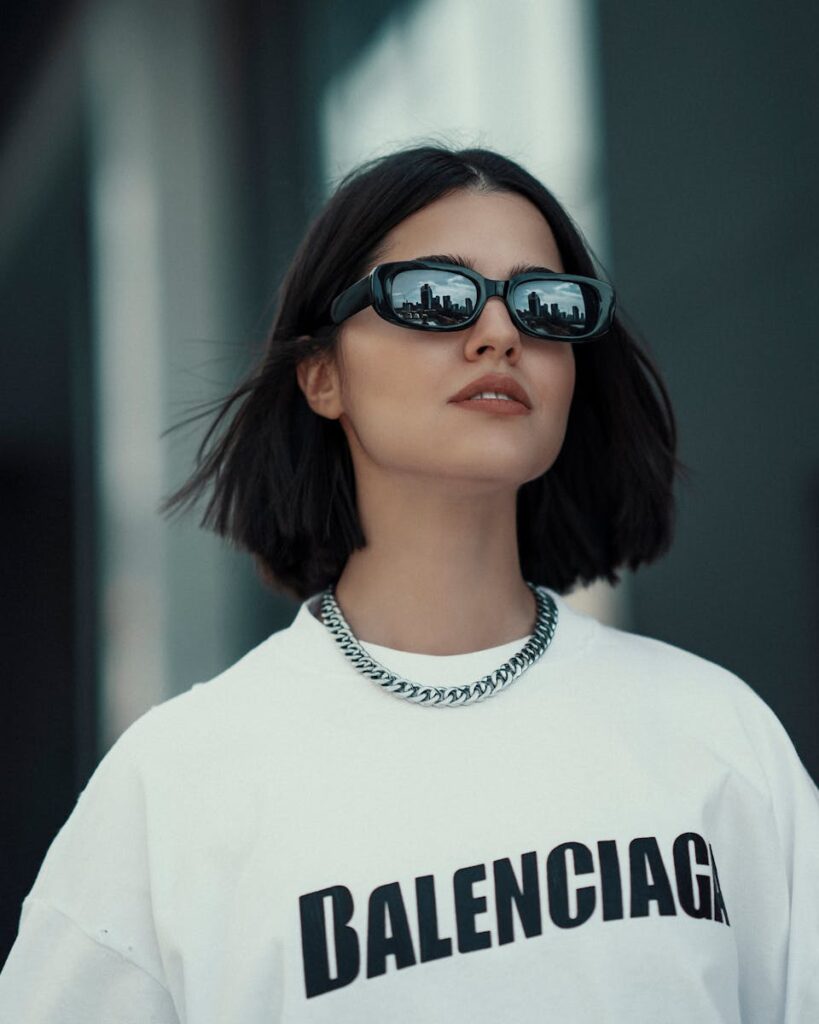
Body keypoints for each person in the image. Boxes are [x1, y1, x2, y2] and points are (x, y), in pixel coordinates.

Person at [1, 144, 817, 1023]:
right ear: (321, 375)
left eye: (544, 305)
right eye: (435, 296)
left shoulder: (715, 733)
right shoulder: (173, 790)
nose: (500, 333)